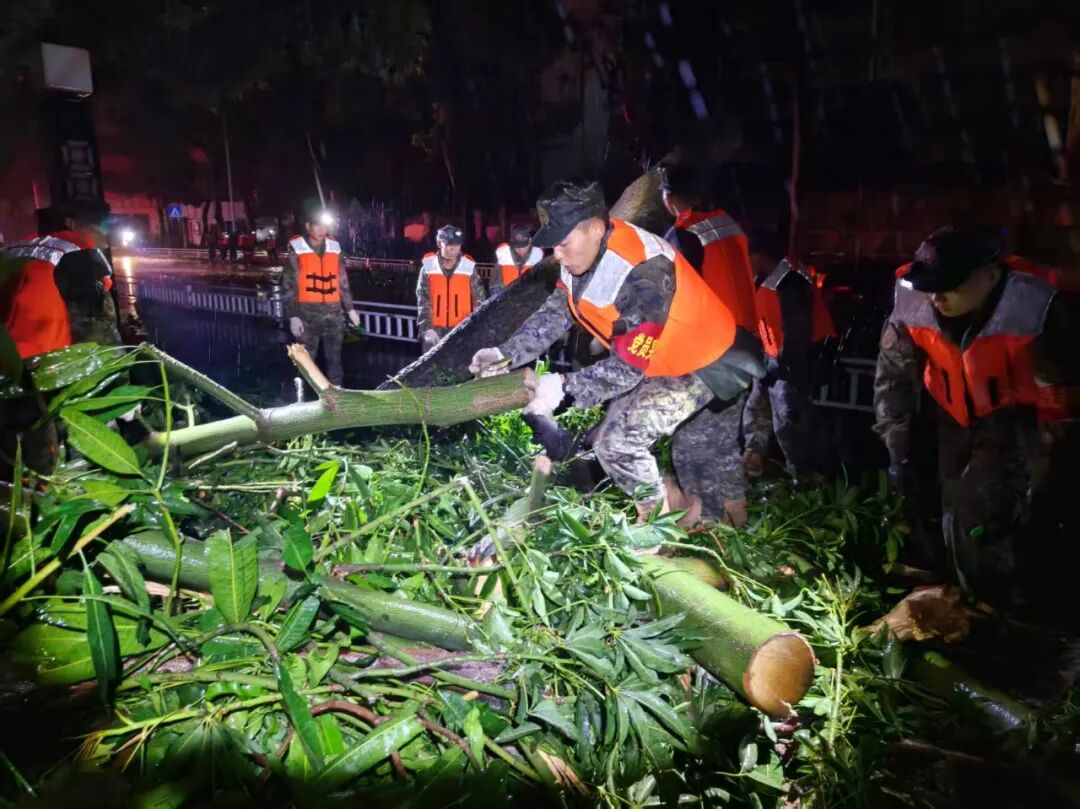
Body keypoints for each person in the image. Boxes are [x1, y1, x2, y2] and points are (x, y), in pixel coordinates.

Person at [470, 181, 763, 529]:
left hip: (708, 359)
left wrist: (560, 388)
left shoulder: (643, 270)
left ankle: (656, 529)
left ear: (595, 228)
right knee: (696, 450)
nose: (557, 255)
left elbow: (626, 370)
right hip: (668, 360)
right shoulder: (580, 256)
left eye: (563, 244)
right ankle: (711, 527)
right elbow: (555, 315)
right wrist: (505, 353)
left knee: (618, 443)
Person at [873, 225, 1078, 606]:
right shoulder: (915, 300)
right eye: (931, 285)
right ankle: (957, 591)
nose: (937, 296)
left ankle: (994, 604)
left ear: (991, 275)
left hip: (1012, 418)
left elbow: (1059, 394)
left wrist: (1049, 459)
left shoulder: (1032, 306)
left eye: (950, 284)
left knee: (982, 512)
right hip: (949, 414)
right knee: (946, 506)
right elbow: (893, 377)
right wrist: (897, 442)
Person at [660, 163, 760, 525]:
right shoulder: (727, 226)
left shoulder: (682, 235)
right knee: (722, 445)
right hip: (745, 349)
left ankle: (708, 528)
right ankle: (736, 522)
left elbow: (674, 303)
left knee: (690, 448)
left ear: (669, 198)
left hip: (712, 355)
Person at [742, 242, 835, 478]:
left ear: (759, 255)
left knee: (789, 426)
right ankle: (753, 462)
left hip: (790, 367)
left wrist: (779, 367)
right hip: (771, 361)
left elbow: (797, 334)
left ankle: (802, 482)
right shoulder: (772, 278)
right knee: (756, 410)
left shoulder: (790, 282)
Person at [283, 201, 359, 387]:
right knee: (306, 361)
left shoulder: (335, 247)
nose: (321, 229)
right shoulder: (297, 248)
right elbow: (289, 284)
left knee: (335, 360)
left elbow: (342, 281)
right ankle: (302, 401)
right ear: (308, 226)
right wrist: (293, 315)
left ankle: (338, 398)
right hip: (307, 315)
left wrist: (350, 310)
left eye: (324, 225)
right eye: (317, 225)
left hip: (333, 314)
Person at [416, 224, 486, 352]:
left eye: (457, 244)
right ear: (439, 243)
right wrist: (426, 328)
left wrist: (475, 328)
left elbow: (479, 300)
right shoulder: (428, 266)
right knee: (432, 369)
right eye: (448, 244)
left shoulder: (468, 266)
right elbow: (423, 300)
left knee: (462, 368)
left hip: (462, 330)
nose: (453, 248)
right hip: (434, 332)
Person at [491, 224, 544, 291]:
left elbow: (540, 282)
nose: (520, 250)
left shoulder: (537, 256)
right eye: (517, 247)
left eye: (524, 246)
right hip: (507, 296)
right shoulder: (502, 254)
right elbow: (495, 283)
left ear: (530, 241)